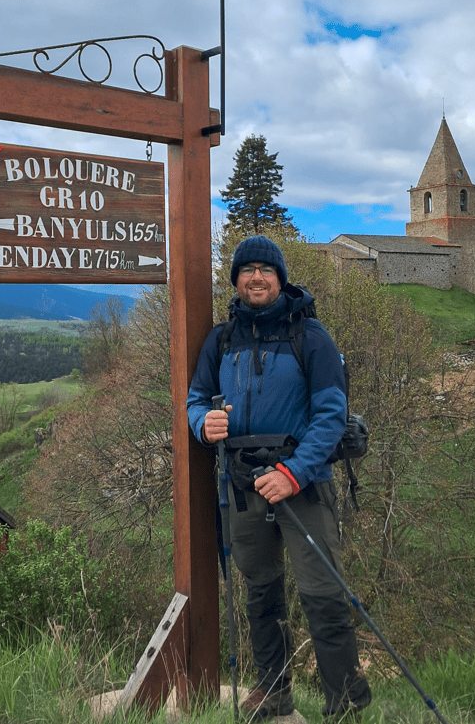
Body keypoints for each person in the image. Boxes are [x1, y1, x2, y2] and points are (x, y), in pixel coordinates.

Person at [187, 236, 372, 720]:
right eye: (246, 270)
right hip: (243, 483)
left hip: (302, 481)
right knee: (260, 590)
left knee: (323, 591)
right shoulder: (221, 339)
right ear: (236, 280)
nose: (256, 277)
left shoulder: (312, 337)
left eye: (265, 270)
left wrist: (293, 473)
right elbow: (195, 399)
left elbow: (331, 415)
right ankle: (273, 692)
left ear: (280, 277)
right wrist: (201, 424)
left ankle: (344, 703)